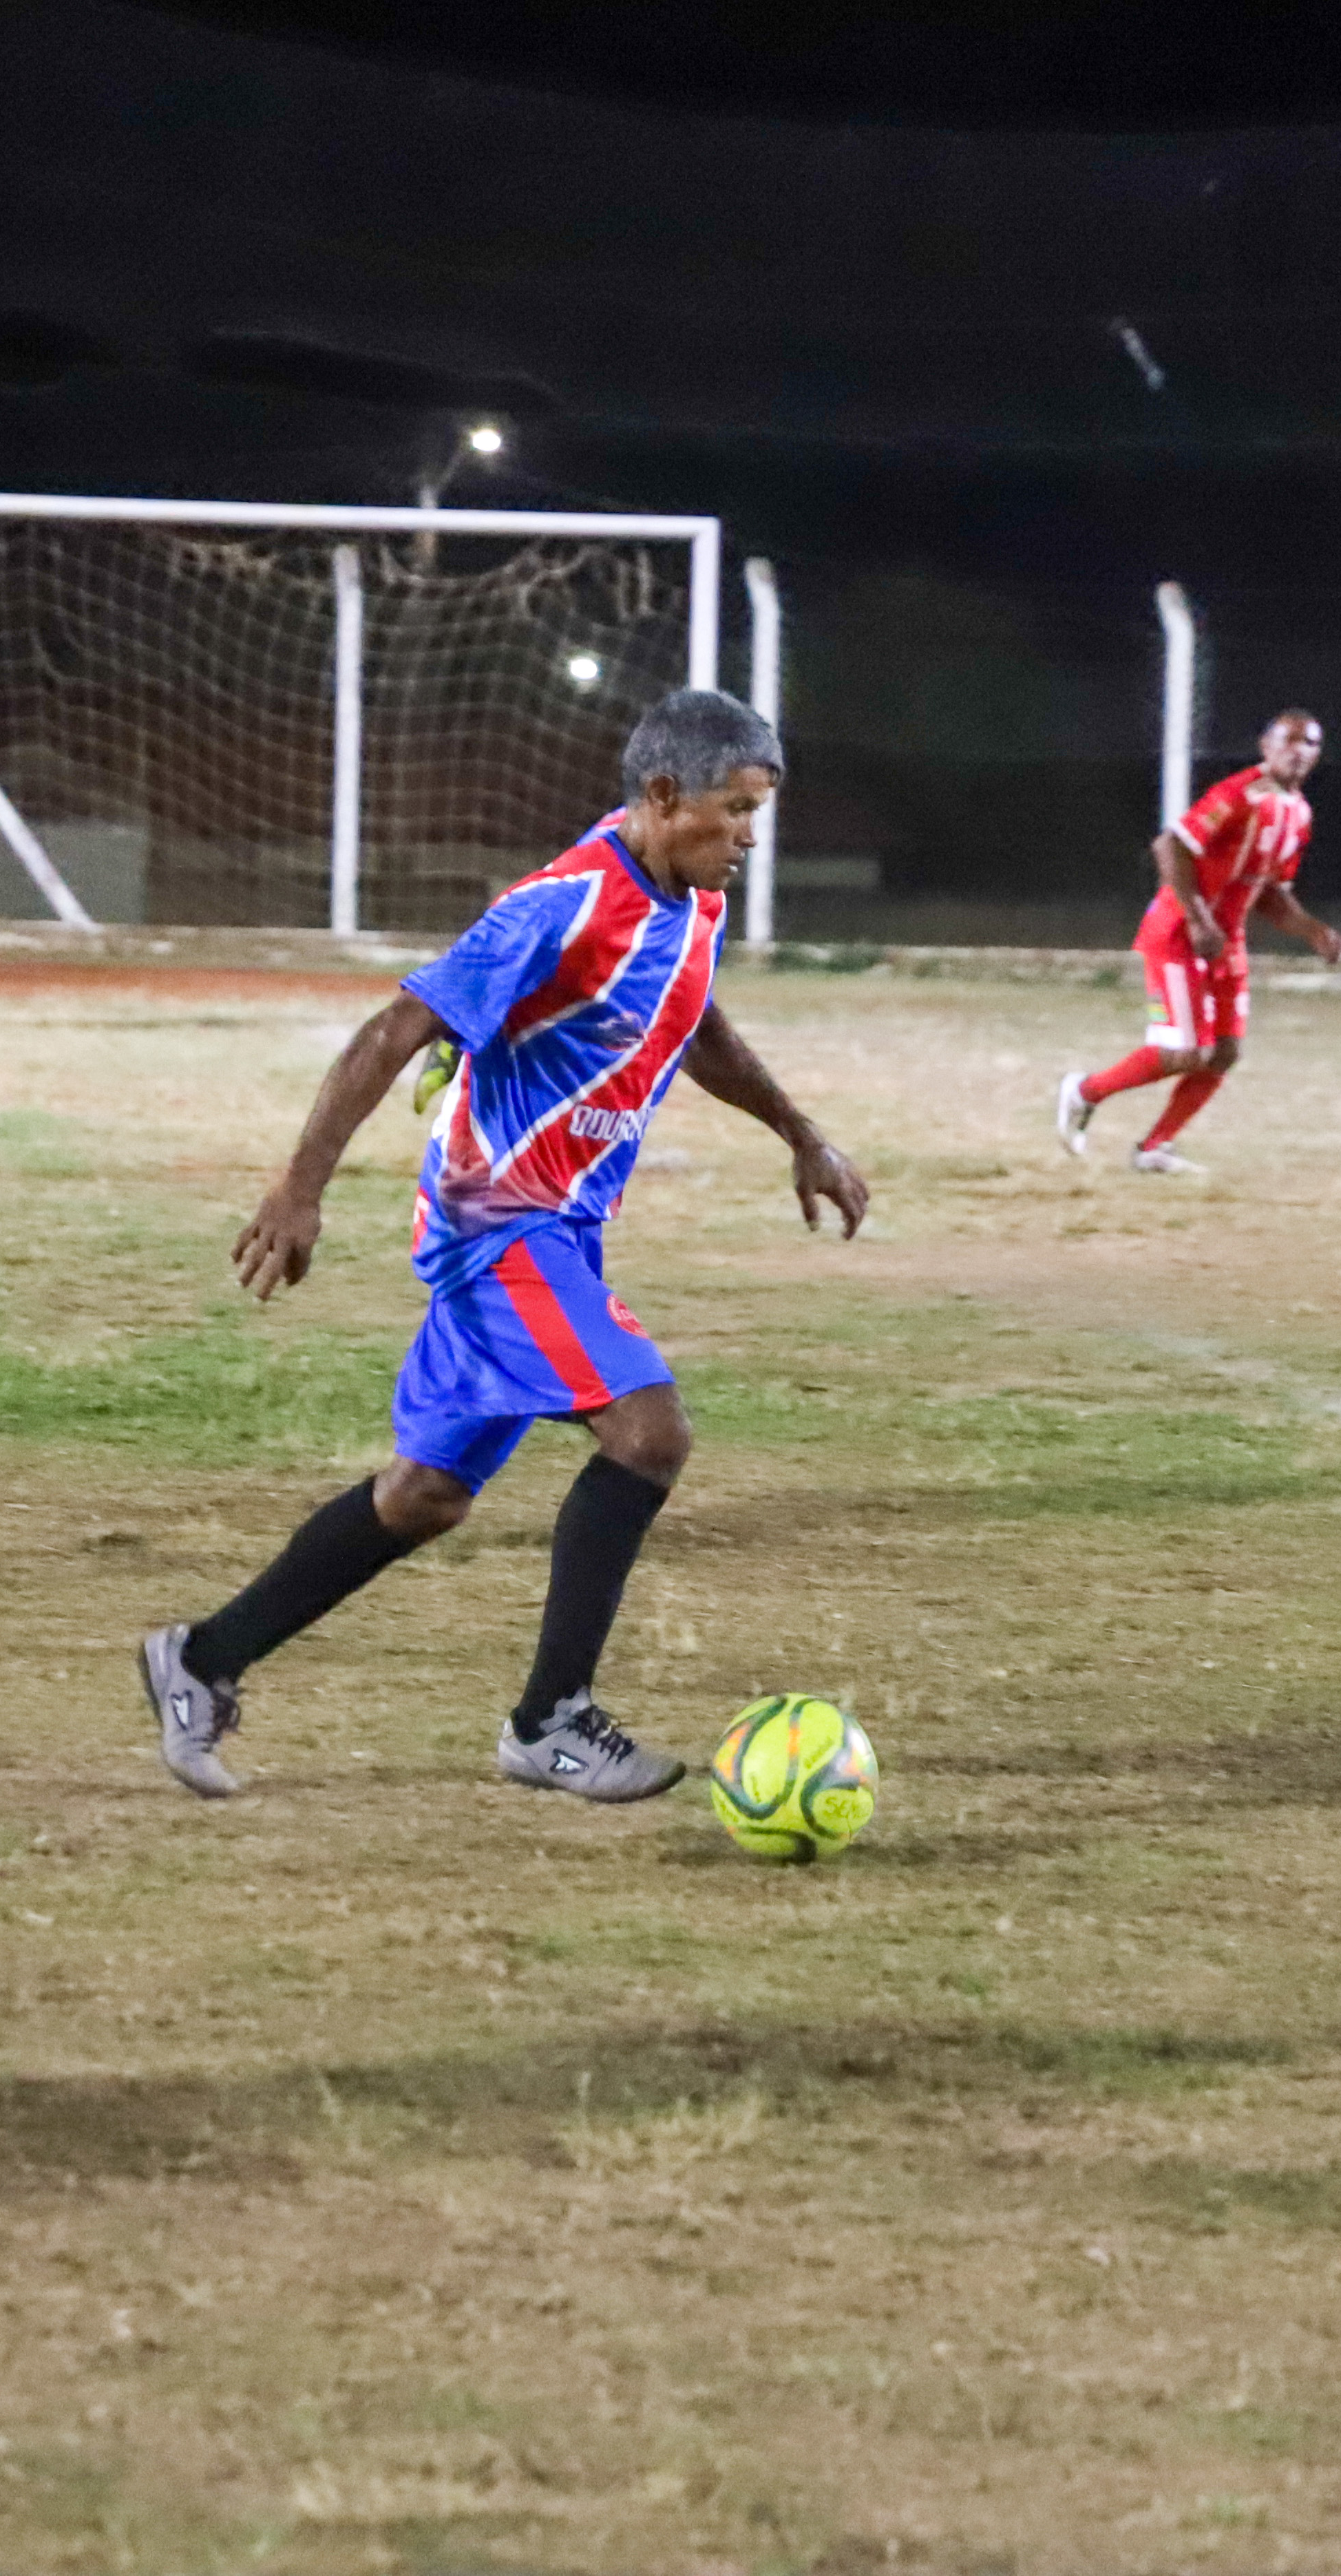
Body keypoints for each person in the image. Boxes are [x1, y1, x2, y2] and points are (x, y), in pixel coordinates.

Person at [134, 688, 869, 1802]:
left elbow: (694, 1019)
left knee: (424, 1495)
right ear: (664, 797)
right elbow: (398, 1027)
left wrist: (799, 1133)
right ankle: (551, 1722)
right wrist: (299, 1188)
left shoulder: (694, 896)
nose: (751, 838)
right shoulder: (562, 906)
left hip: (560, 1232)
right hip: (500, 1230)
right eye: (736, 811)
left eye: (760, 811)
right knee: (648, 1433)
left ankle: (199, 1660)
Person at [1055, 708, 1341, 1174]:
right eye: (1287, 741)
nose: (1298, 752)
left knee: (1226, 1051)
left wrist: (1314, 932)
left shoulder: (1297, 814)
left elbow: (1269, 893)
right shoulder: (1238, 794)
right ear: (1265, 747)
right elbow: (1169, 847)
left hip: (1223, 941)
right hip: (1178, 933)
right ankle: (1083, 1092)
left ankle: (1155, 1147)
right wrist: (1196, 920)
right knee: (1184, 1051)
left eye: (1309, 744)